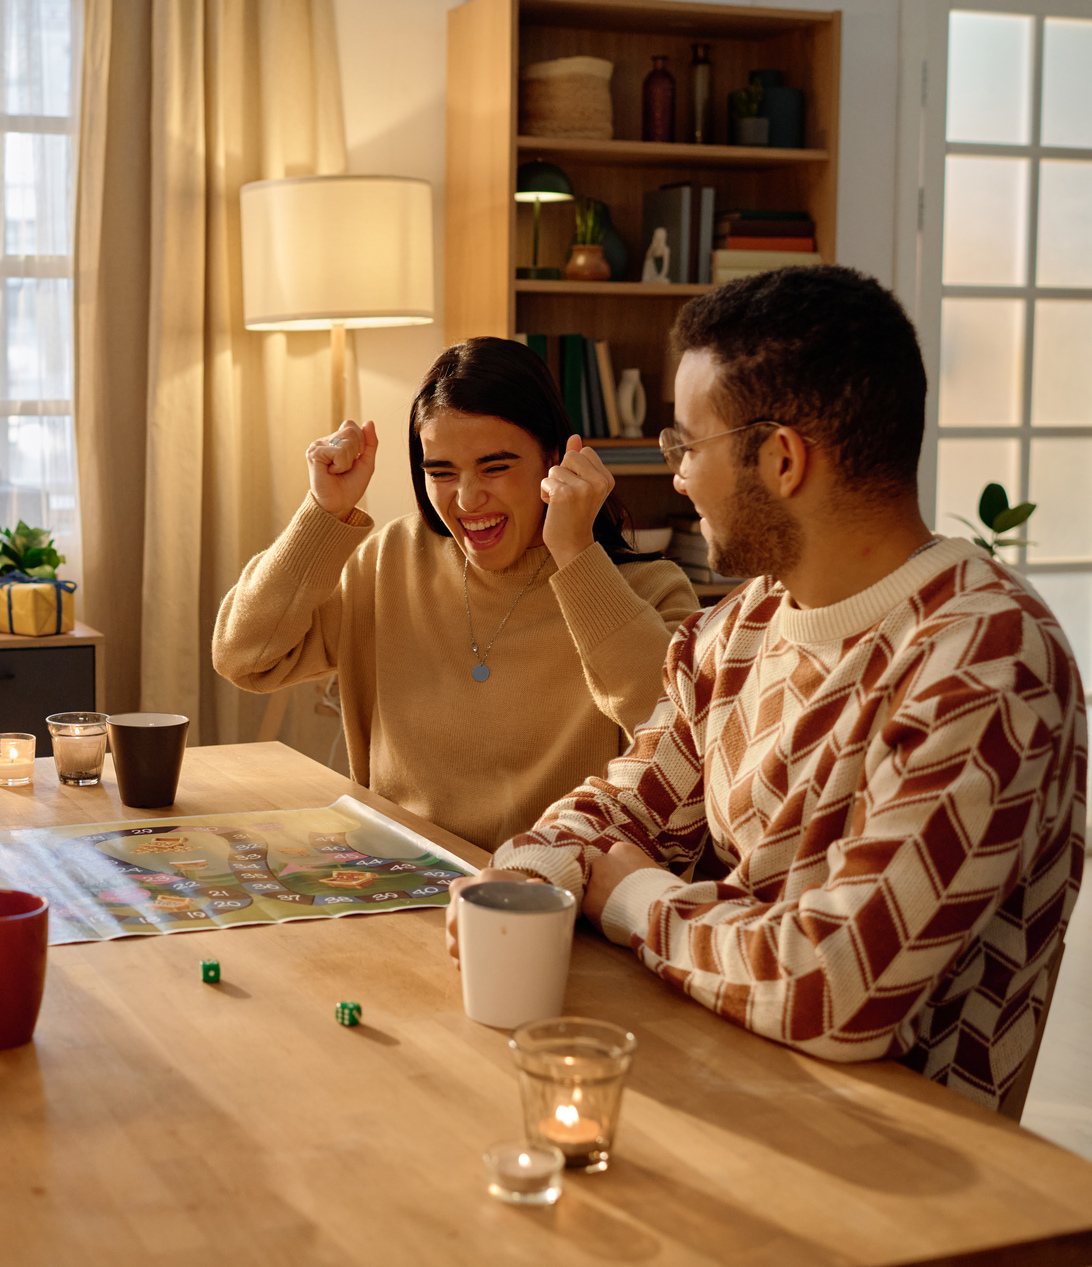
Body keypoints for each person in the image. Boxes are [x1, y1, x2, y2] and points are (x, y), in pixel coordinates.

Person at [456, 266, 1084, 1113]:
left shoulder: (988, 657)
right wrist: (524, 876)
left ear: (784, 458)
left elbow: (837, 986)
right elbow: (622, 806)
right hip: (724, 1083)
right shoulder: (741, 625)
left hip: (901, 1167)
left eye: (686, 446)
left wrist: (639, 897)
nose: (674, 476)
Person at [213, 337, 700, 849]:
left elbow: (681, 747)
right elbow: (244, 657)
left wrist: (576, 556)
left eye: (495, 467)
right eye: (440, 472)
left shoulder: (647, 589)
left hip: (552, 898)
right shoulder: (390, 561)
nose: (466, 499)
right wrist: (322, 512)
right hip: (398, 880)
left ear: (555, 457)